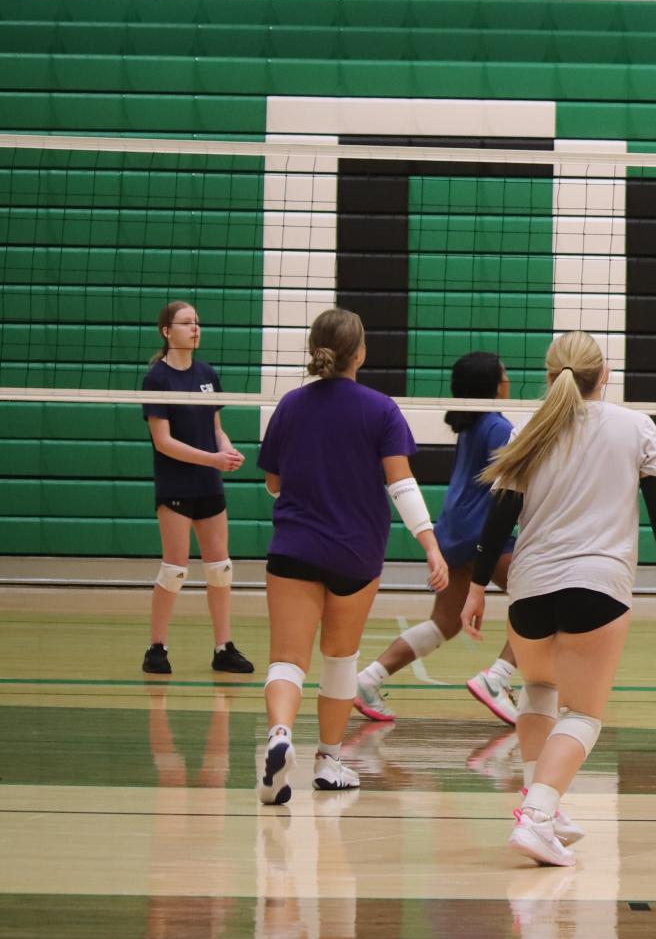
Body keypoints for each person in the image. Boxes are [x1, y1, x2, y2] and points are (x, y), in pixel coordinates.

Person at [461, 330, 656, 867]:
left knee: (538, 689)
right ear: (604, 375)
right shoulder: (636, 426)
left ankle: (540, 800)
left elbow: (498, 518)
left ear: (551, 376)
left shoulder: (529, 427)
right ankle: (539, 816)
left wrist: (476, 587)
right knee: (583, 714)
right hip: (598, 585)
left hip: (529, 589)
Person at [255, 307, 449, 806]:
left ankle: (279, 734)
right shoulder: (381, 409)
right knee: (340, 661)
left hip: (294, 548)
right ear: (360, 353)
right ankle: (328, 760)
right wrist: (429, 544)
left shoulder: (291, 407)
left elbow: (274, 483)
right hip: (355, 554)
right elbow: (401, 484)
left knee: (287, 660)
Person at [353, 351, 522, 724]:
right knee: (543, 604)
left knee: (444, 622)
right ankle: (498, 679)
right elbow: (522, 481)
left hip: (453, 530)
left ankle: (368, 679)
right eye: (505, 373)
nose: (509, 378)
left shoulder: (474, 422)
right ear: (494, 385)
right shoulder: (497, 425)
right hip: (479, 531)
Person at [139, 300, 253, 675]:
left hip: (209, 483)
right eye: (187, 323)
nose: (195, 328)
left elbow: (216, 428)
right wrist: (212, 459)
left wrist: (226, 449)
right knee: (175, 569)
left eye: (197, 323)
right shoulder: (157, 378)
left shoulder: (208, 374)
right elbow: (163, 443)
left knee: (220, 568)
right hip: (175, 484)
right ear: (167, 332)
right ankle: (157, 647)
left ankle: (223, 648)